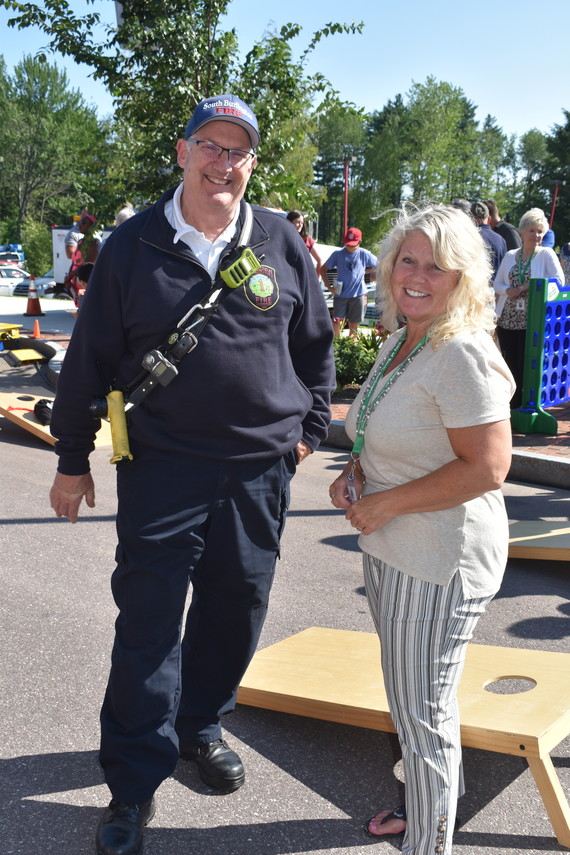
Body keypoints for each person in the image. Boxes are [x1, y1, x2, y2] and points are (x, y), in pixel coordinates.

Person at [49, 93, 335, 855]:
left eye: (237, 150)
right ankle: (133, 785)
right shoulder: (133, 244)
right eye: (210, 145)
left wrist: (306, 433)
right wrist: (72, 459)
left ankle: (199, 724)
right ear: (182, 153)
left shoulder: (279, 239)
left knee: (234, 608)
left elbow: (316, 346)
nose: (224, 162)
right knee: (148, 627)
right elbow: (89, 362)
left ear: (251, 163)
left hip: (258, 472)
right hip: (163, 468)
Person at [328, 204, 514, 855]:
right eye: (408, 259)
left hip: (437, 559)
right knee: (416, 706)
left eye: (436, 266)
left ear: (461, 277)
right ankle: (425, 810)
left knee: (424, 717)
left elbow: (490, 466)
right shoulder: (404, 336)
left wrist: (388, 503)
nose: (417, 275)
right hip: (394, 546)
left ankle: (429, 842)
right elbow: (384, 425)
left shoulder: (459, 349)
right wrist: (356, 470)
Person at [494, 207, 565, 409]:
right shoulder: (510, 255)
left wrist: (529, 286)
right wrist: (509, 290)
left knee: (527, 362)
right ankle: (511, 404)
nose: (537, 235)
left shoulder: (546, 254)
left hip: (532, 318)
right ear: (523, 232)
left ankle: (526, 404)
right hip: (507, 318)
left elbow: (558, 281)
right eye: (533, 231)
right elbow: (496, 284)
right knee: (509, 363)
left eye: (540, 231)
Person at [321, 227, 377, 338]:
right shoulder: (338, 254)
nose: (349, 247)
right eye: (348, 244)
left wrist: (364, 272)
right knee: (337, 321)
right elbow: (323, 269)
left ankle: (352, 345)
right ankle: (336, 344)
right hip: (340, 294)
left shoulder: (364, 254)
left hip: (358, 294)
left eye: (353, 245)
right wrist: (330, 288)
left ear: (360, 242)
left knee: (354, 323)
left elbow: (379, 265)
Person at [470, 201, 506, 277]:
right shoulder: (500, 239)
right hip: (496, 287)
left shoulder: (468, 238)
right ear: (489, 219)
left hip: (475, 286)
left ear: (470, 219)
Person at [286, 209, 323, 276]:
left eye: (302, 223)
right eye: (297, 222)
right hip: (287, 276)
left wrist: (316, 281)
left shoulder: (306, 239)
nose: (300, 225)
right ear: (290, 222)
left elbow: (319, 260)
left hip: (302, 277)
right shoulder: (283, 237)